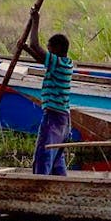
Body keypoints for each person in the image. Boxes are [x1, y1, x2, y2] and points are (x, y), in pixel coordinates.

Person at [25, 9, 74, 175]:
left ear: (56, 50)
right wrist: (25, 49)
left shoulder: (57, 63)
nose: (47, 51)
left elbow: (35, 46)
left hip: (53, 117)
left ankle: (38, 187)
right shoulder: (66, 64)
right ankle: (61, 185)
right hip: (64, 120)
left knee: (44, 155)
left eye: (49, 49)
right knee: (56, 159)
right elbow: (40, 57)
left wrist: (35, 21)